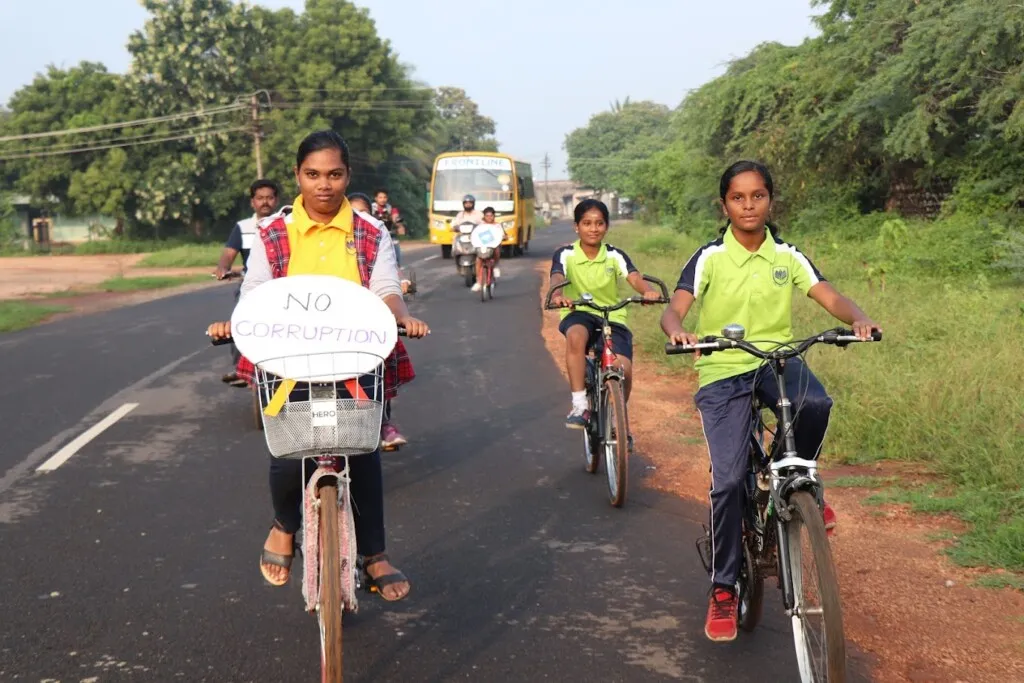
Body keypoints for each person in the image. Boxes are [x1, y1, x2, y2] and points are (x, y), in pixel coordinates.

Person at [659, 160, 881, 643]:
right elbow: (675, 308)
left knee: (815, 403)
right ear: (724, 205)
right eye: (738, 198)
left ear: (770, 200)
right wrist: (679, 331)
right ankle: (723, 588)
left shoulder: (787, 255)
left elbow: (829, 295)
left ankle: (794, 478)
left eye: (757, 196)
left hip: (775, 359)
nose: (748, 206)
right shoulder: (710, 256)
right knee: (728, 481)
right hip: (722, 367)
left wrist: (858, 317)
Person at [207, 130, 429, 601]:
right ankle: (283, 526)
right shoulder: (272, 232)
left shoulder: (371, 231)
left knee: (363, 451)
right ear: (297, 175)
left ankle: (375, 555)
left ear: (348, 175)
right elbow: (256, 290)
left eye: (334, 174)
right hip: (288, 360)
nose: (323, 185)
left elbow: (386, 287)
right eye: (312, 174)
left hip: (356, 357)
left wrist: (401, 315)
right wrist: (236, 322)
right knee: (288, 452)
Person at [549, 199, 661, 439]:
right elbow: (557, 276)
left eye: (599, 223)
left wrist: (648, 292)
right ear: (576, 226)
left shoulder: (614, 255)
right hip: (578, 311)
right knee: (576, 337)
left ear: (606, 226)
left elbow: (634, 277)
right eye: (587, 223)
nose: (593, 229)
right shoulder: (566, 254)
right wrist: (557, 295)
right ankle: (580, 404)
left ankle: (618, 417)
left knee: (624, 368)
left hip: (612, 315)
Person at [350, 191, 411, 451]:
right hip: (328, 326)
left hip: (367, 322)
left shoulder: (375, 235)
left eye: (363, 212)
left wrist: (400, 302)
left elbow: (388, 276)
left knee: (377, 371)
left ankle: (383, 421)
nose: (358, 216)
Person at [214, 179, 280, 387]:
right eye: (260, 198)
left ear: (276, 200)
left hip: (281, 286)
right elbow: (228, 254)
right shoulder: (243, 228)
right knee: (240, 320)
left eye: (269, 198)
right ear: (253, 202)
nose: (265, 202)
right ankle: (240, 367)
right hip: (252, 287)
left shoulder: (286, 223)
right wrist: (222, 268)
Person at [470, 206, 505, 292]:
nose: (489, 217)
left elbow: (504, 235)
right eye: (487, 216)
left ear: (494, 216)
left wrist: (504, 237)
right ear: (484, 216)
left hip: (494, 247)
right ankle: (478, 282)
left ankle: (495, 266)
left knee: (497, 250)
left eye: (491, 216)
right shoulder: (480, 226)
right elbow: (475, 234)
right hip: (483, 247)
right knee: (478, 260)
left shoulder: (497, 226)